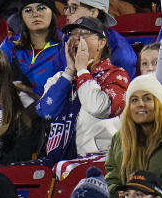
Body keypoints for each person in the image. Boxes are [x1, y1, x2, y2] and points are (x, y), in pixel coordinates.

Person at [37, 16, 130, 161]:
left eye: (84, 34)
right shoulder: (60, 78)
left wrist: (82, 71)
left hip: (99, 162)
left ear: (101, 43)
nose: (77, 39)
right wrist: (69, 72)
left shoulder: (116, 75)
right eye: (73, 34)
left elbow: (98, 108)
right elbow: (46, 112)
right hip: (56, 164)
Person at [105, 75, 162, 198]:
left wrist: (151, 192)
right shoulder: (119, 139)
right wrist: (118, 193)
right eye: (134, 100)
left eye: (147, 98)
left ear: (160, 103)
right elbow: (112, 177)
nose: (140, 104)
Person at [0, 0, 66, 96]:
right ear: (22, 17)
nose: (35, 14)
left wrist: (27, 90)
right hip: (15, 107)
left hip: (53, 109)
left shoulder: (66, 45)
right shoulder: (10, 44)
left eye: (41, 8)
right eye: (28, 10)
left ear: (52, 12)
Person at [64, 0, 138, 78]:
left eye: (74, 7)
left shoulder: (121, 53)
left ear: (93, 12)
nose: (66, 13)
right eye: (67, 7)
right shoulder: (66, 41)